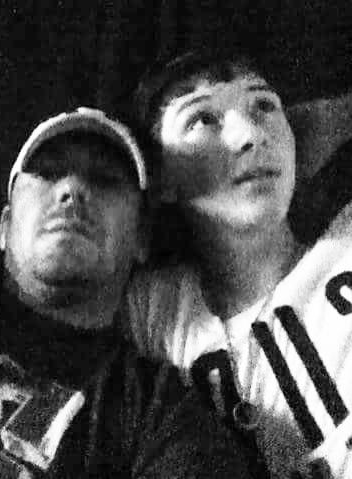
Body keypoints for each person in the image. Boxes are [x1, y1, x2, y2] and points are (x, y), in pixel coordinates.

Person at [0, 107, 255, 478]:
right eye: (47, 173)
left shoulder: (153, 412)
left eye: (104, 180)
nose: (72, 189)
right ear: (4, 227)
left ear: (141, 238)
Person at [127, 51, 352, 478]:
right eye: (201, 119)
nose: (251, 134)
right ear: (159, 179)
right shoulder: (155, 312)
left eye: (264, 105)